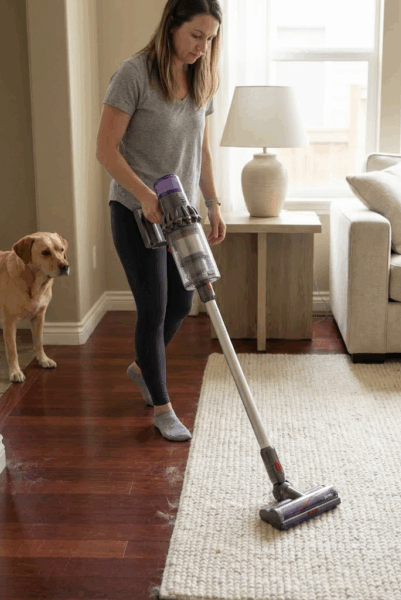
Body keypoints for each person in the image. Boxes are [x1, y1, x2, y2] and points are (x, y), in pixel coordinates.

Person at [96, 0, 226, 442]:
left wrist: (214, 203)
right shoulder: (133, 74)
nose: (201, 47)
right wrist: (145, 196)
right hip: (136, 210)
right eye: (195, 36)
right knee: (152, 307)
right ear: (172, 25)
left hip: (180, 214)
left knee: (180, 304)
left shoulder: (202, 78)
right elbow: (106, 151)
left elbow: (202, 152)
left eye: (209, 39)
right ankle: (162, 407)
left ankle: (142, 367)